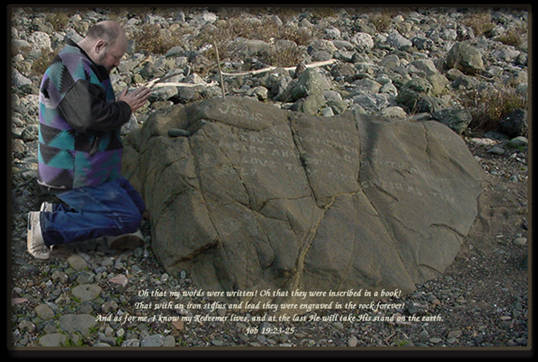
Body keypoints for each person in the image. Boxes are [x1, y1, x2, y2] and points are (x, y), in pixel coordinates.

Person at [27, 20, 151, 259]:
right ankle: (45, 226)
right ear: (100, 45)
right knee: (127, 217)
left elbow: (91, 110)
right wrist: (124, 109)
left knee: (137, 207)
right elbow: (86, 120)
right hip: (71, 171)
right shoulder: (71, 68)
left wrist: (118, 106)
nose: (117, 63)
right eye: (116, 57)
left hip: (91, 165)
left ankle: (60, 211)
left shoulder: (86, 65)